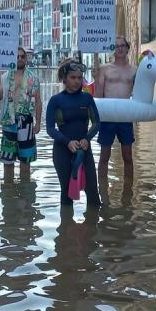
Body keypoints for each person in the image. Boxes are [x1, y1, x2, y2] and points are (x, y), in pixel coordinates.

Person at [46, 60, 101, 207]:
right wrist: (67, 142)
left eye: (79, 77)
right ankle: (66, 227)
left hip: (84, 148)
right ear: (64, 79)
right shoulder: (55, 101)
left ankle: (94, 225)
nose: (77, 81)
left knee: (93, 192)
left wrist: (87, 139)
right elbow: (50, 129)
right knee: (66, 193)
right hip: (63, 149)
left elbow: (96, 123)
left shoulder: (87, 98)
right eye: (73, 77)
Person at [0, 46, 42, 181]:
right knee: (8, 162)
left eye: (22, 56)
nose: (19, 59)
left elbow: (38, 101)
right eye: (17, 56)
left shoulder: (33, 78)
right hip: (9, 122)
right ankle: (9, 195)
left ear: (26, 59)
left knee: (26, 162)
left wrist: (38, 123)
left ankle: (25, 195)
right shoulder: (4, 77)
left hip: (26, 122)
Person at [95, 36, 137, 179]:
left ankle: (128, 193)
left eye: (122, 46)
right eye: (116, 46)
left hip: (125, 117)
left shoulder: (134, 71)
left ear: (127, 48)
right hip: (108, 117)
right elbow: (98, 95)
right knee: (104, 157)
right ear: (112, 50)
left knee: (128, 157)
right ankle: (102, 191)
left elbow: (138, 95)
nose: (119, 48)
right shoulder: (104, 69)